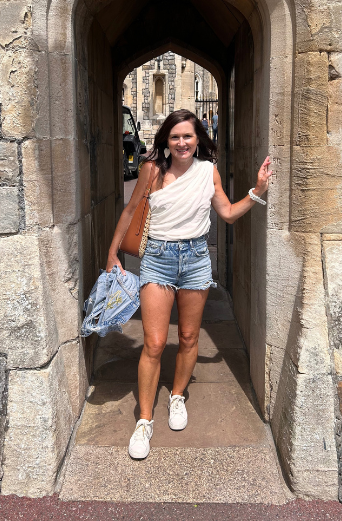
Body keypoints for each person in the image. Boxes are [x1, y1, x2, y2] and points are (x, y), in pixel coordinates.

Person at [106, 110, 272, 460]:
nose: (182, 143)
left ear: (199, 140)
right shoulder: (152, 170)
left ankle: (178, 395)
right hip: (157, 257)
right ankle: (145, 419)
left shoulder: (207, 171)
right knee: (153, 342)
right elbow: (129, 210)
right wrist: (112, 254)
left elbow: (225, 212)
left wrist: (257, 192)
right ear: (166, 140)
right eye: (175, 137)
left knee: (188, 337)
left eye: (188, 137)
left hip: (196, 259)